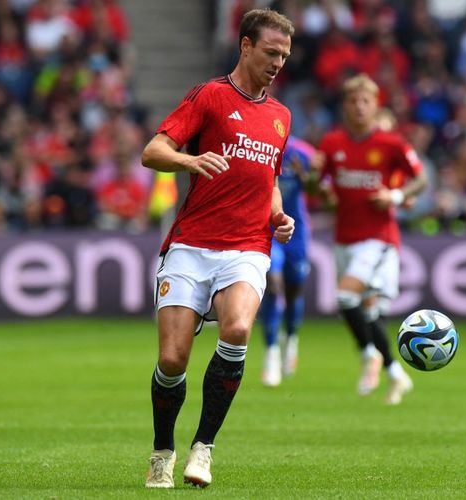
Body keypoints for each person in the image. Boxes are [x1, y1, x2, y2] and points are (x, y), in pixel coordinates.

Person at [140, 8, 295, 489]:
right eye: (271, 52)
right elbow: (153, 151)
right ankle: (162, 450)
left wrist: (278, 215)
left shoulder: (280, 116)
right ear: (246, 46)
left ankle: (203, 448)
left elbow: (269, 178)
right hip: (190, 244)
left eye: (285, 56)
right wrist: (190, 159)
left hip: (248, 246)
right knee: (172, 361)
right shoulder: (210, 96)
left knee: (239, 327)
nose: (277, 63)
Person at [317, 73, 428, 405]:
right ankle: (395, 373)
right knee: (372, 313)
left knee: (345, 297)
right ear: (345, 106)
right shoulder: (332, 143)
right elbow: (321, 190)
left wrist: (394, 197)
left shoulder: (391, 144)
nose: (359, 106)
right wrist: (319, 189)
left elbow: (419, 181)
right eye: (353, 100)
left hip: (378, 239)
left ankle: (368, 354)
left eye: (365, 100)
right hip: (344, 239)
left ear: (375, 105)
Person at [259, 136, 321, 386]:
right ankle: (271, 353)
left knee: (295, 290)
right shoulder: (258, 145)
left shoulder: (303, 152)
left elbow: (318, 192)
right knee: (273, 285)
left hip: (297, 230)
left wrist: (305, 177)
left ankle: (291, 339)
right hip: (266, 227)